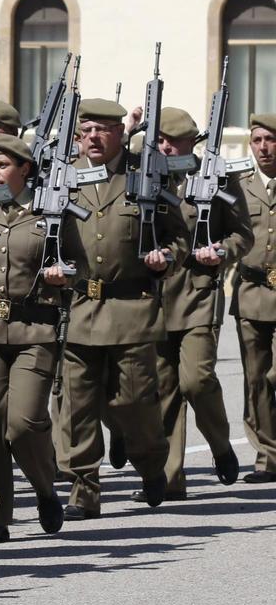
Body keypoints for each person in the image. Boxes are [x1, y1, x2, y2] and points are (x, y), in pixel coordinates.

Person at [54, 98, 189, 520]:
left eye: (103, 129)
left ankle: (151, 461)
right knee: (78, 405)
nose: (93, 137)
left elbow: (178, 237)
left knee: (132, 402)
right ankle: (84, 489)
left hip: (131, 307)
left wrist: (166, 258)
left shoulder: (144, 178)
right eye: (86, 130)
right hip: (80, 307)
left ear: (120, 134)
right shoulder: (63, 179)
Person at [0, 134, 76, 543]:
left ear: (24, 169)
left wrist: (64, 274)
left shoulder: (51, 211)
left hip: (35, 331)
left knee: (24, 423)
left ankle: (45, 488)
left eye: (2, 165)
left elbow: (76, 264)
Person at [148, 107, 249, 499]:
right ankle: (170, 478)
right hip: (155, 297)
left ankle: (220, 445)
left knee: (197, 380)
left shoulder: (217, 176)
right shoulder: (146, 177)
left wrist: (221, 251)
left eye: (173, 140)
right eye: (160, 140)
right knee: (164, 389)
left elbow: (243, 235)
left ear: (193, 142)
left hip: (197, 293)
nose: (165, 146)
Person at [231, 113, 276, 483]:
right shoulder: (240, 187)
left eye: (271, 140)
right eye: (258, 140)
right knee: (256, 379)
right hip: (251, 292)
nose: (264, 148)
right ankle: (267, 457)